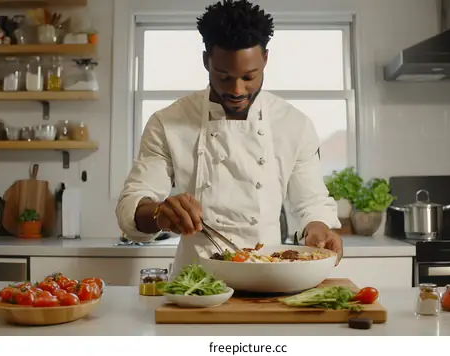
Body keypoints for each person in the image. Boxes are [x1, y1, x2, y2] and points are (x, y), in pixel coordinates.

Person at [115, 0, 343, 277]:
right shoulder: (167, 122)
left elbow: (311, 203)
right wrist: (159, 213)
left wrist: (318, 227)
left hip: (268, 278)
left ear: (266, 60)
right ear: (205, 61)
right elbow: (132, 205)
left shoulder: (294, 125)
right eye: (224, 77)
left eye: (249, 76)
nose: (237, 90)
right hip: (194, 285)